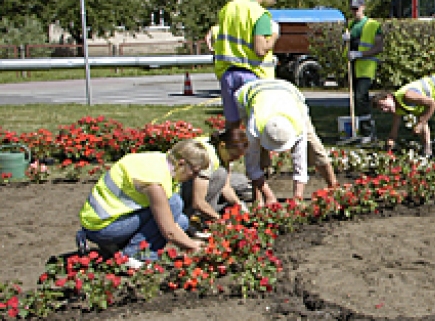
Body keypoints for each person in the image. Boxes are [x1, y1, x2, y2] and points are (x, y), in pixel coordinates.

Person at [76, 139, 209, 260]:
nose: (195, 177)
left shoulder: (162, 162)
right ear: (182, 163)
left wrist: (188, 241)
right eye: (195, 172)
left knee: (182, 221)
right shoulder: (155, 180)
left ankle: (115, 246)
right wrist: (193, 246)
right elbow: (169, 231)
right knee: (174, 204)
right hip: (103, 226)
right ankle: (136, 255)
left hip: (105, 220)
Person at [234, 79, 339, 205]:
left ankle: (334, 187)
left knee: (315, 147)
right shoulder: (254, 126)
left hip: (289, 93)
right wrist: (270, 196)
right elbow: (252, 165)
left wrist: (297, 197)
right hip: (248, 94)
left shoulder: (298, 125)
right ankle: (259, 197)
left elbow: (300, 163)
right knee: (258, 155)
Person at [213, 0, 283, 129]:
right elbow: (260, 50)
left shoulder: (229, 7)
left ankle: (229, 151)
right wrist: (274, 36)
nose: (274, 2)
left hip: (228, 73)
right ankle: (256, 154)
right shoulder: (261, 15)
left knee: (232, 126)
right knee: (257, 125)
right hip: (252, 76)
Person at [182, 127, 250, 225]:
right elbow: (198, 202)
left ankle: (209, 210)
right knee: (220, 174)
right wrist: (218, 219)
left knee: (240, 180)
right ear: (222, 146)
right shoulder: (206, 157)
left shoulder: (223, 151)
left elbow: (226, 188)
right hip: (181, 190)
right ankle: (198, 217)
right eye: (233, 156)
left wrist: (239, 206)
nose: (234, 160)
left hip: (195, 183)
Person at [347, 0, 384, 137]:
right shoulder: (351, 25)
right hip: (353, 67)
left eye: (357, 8)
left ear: (363, 7)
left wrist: (360, 54)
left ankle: (368, 131)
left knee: (361, 97)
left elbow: (378, 47)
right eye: (352, 9)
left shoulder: (373, 25)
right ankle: (359, 130)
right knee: (355, 99)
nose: (355, 11)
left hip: (366, 67)